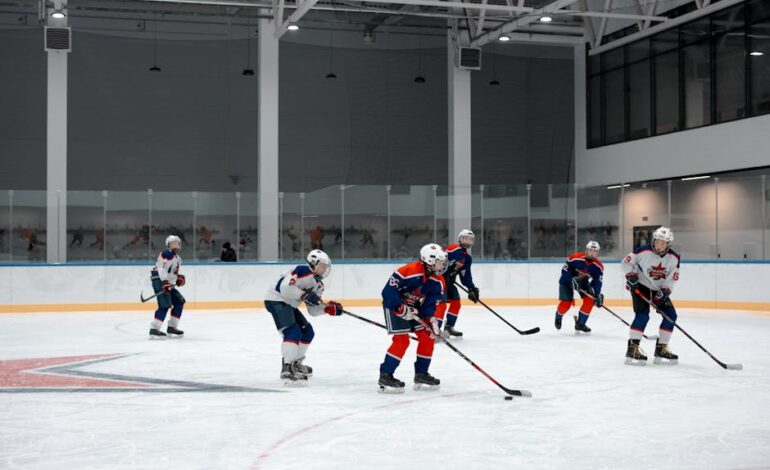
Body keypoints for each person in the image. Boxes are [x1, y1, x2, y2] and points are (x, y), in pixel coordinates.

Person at [264, 250, 343, 385]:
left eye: (326, 266)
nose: (325, 269)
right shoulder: (302, 271)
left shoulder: (318, 285)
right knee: (292, 331)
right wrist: (304, 295)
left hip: (289, 304)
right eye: (322, 266)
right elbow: (285, 288)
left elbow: (313, 310)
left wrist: (328, 309)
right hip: (276, 299)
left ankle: (295, 363)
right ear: (313, 263)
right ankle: (287, 368)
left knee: (308, 332)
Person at [378, 243, 448, 393]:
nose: (442, 265)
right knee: (402, 340)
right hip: (394, 307)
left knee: (427, 336)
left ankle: (421, 374)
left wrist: (432, 321)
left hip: (415, 308)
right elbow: (388, 292)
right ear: (429, 261)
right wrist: (400, 307)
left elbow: (429, 305)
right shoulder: (407, 271)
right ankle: (386, 375)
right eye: (439, 261)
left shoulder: (439, 281)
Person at [621, 226, 680, 366]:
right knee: (643, 315)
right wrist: (631, 275)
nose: (659, 245)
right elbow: (626, 263)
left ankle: (661, 348)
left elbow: (672, 278)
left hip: (659, 289)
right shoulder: (643, 251)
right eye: (658, 241)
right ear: (654, 240)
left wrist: (664, 292)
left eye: (663, 243)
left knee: (671, 315)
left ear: (668, 244)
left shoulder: (674, 258)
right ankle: (632, 348)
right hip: (641, 286)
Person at [434, 229, 479, 338]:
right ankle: (436, 331)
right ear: (460, 239)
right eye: (465, 238)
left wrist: (471, 288)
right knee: (441, 304)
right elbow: (441, 258)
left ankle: (449, 328)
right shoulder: (453, 249)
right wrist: (444, 273)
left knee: (456, 302)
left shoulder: (467, 259)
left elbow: (465, 275)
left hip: (448, 282)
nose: (468, 241)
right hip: (438, 281)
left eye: (470, 239)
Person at [554, 241, 604, 334]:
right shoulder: (575, 258)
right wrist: (571, 279)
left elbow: (597, 282)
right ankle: (558, 316)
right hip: (567, 281)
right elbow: (565, 270)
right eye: (590, 250)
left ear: (597, 253)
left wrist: (596, 294)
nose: (592, 253)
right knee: (566, 303)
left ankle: (580, 324)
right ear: (586, 250)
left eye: (595, 251)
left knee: (590, 300)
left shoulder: (598, 266)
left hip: (583, 282)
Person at [149, 235, 186, 339]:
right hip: (159, 280)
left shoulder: (178, 259)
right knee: (165, 304)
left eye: (178, 243)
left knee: (179, 301)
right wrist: (165, 282)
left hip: (167, 282)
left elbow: (172, 273)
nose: (176, 245)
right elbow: (162, 269)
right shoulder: (166, 254)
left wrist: (178, 279)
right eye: (174, 243)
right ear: (168, 245)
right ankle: (154, 329)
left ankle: (172, 327)